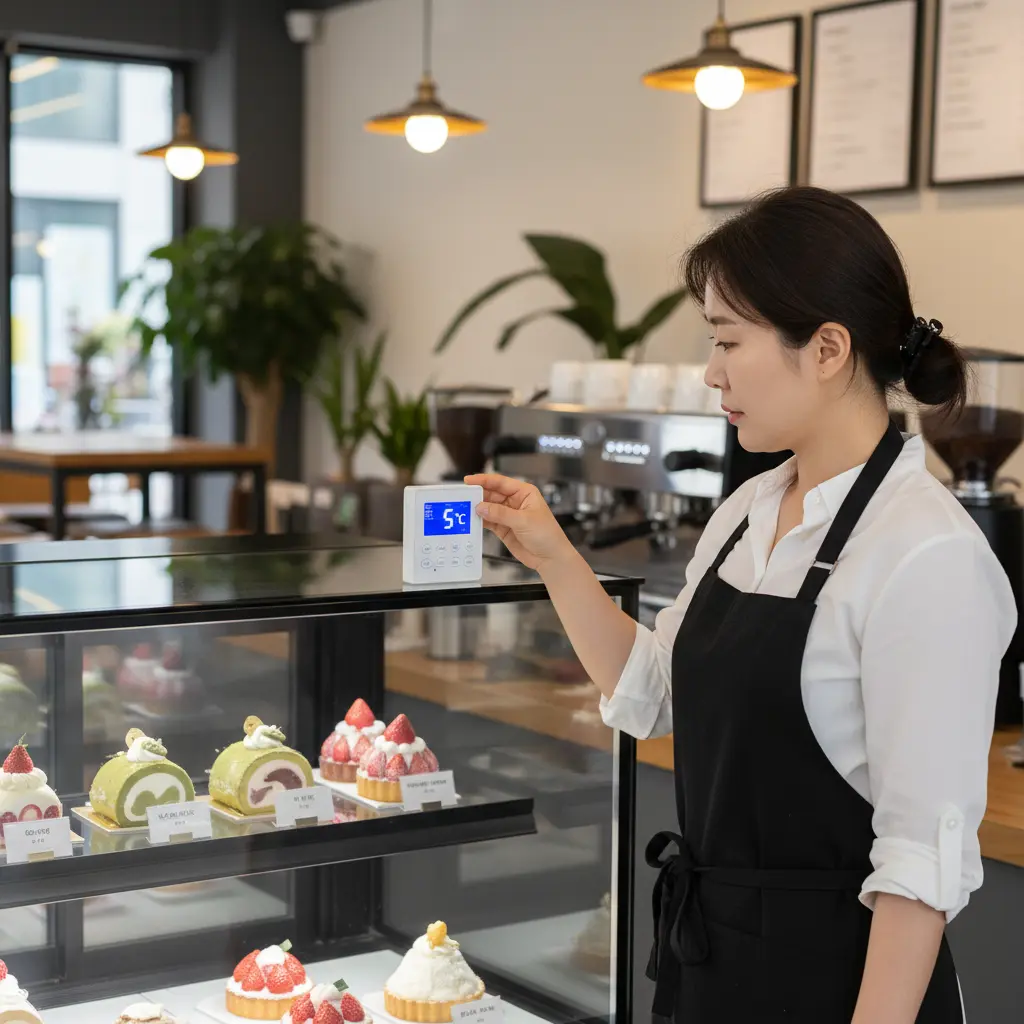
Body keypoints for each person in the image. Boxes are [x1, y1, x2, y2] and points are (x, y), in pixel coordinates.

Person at [467, 186, 1017, 1023]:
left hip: (841, 989)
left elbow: (921, 868)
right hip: (711, 969)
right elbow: (653, 694)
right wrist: (552, 555)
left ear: (827, 348)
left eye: (727, 339)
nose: (710, 372)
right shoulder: (750, 509)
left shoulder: (927, 555)